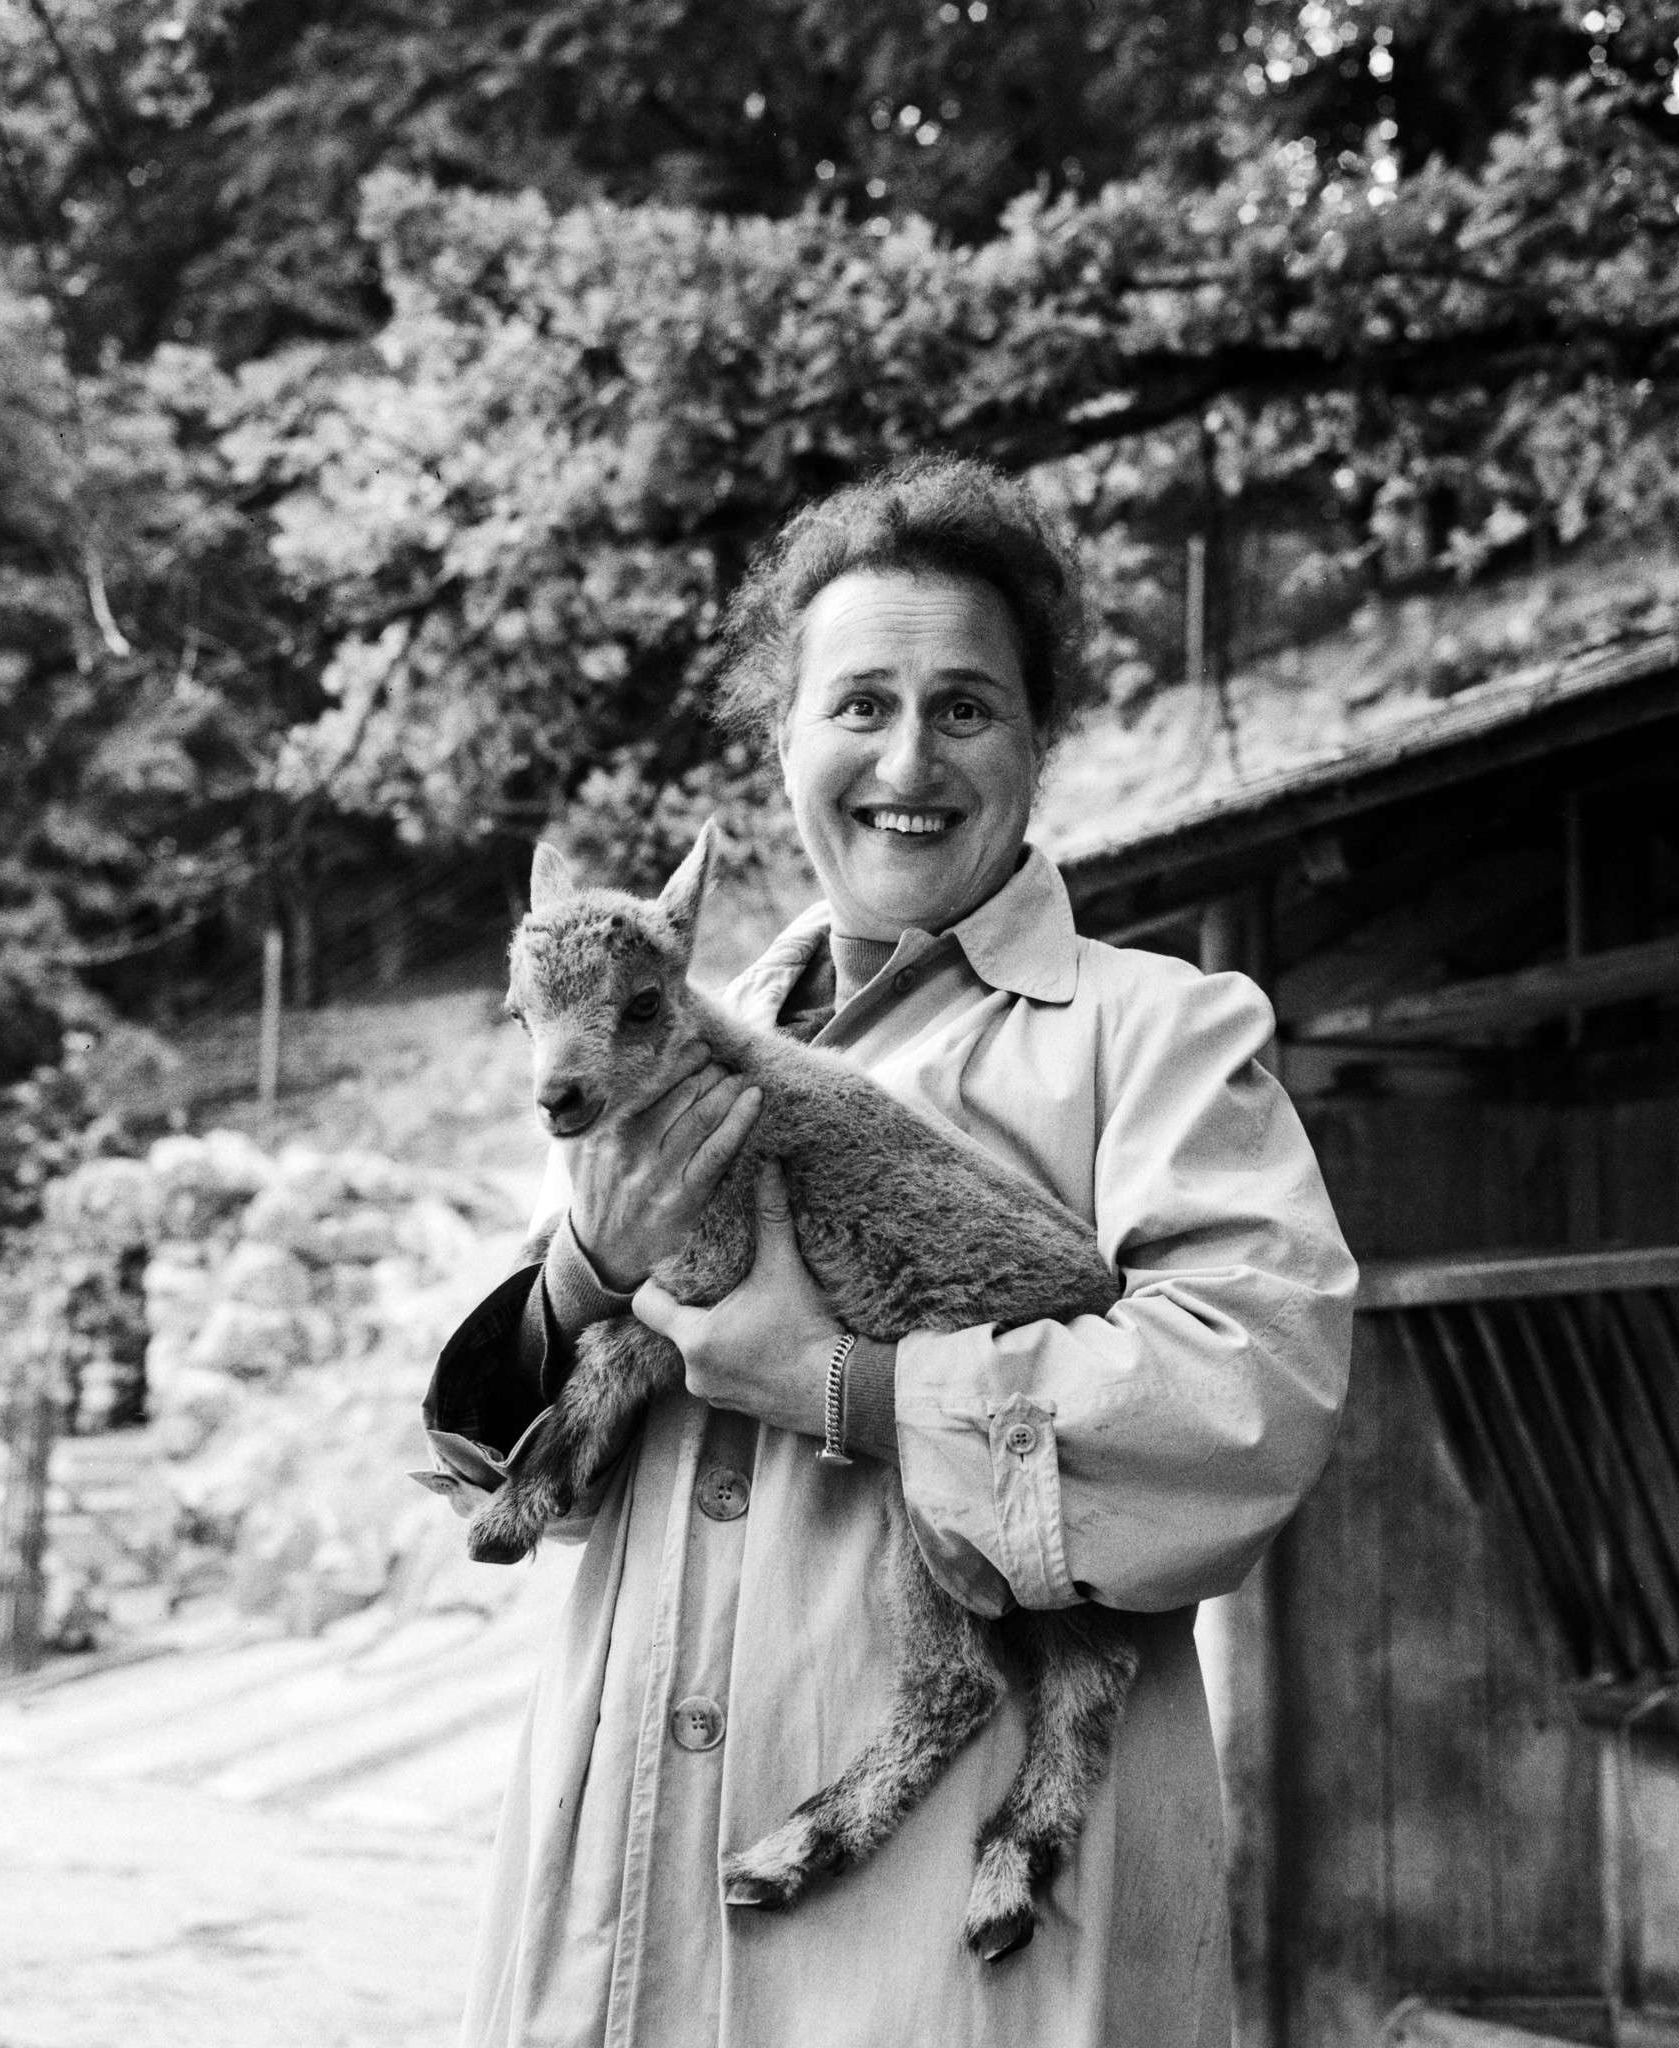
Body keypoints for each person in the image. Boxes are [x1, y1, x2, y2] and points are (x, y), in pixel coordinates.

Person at [424, 455, 1357, 2048]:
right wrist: (583, 1270)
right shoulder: (647, 1041)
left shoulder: (1155, 1035)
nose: (907, 759)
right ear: (781, 739)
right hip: (626, 1887)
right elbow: (505, 1498)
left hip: (947, 1949)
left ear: (1038, 742)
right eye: (857, 704)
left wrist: (845, 1384)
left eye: (966, 707)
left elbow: (1244, 1405)